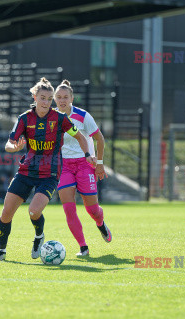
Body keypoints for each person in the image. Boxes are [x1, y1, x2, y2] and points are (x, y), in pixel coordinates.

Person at [0, 77, 95, 261]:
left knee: (33, 211)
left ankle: (39, 236)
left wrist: (88, 155)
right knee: (6, 213)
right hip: (26, 171)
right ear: (35, 97)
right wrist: (12, 147)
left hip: (50, 174)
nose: (46, 102)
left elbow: (80, 137)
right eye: (42, 98)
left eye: (49, 98)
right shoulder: (24, 118)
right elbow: (9, 143)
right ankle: (1, 252)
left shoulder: (60, 119)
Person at [54, 80, 111, 257]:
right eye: (59, 97)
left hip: (85, 164)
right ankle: (83, 247)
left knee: (92, 210)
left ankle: (100, 223)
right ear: (54, 99)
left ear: (72, 98)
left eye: (66, 97)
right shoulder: (51, 118)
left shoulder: (83, 116)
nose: (62, 100)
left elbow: (100, 139)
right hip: (64, 167)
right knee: (69, 208)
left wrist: (99, 163)